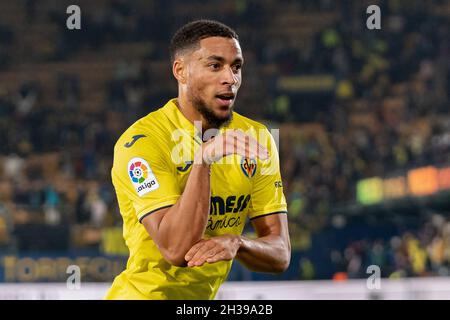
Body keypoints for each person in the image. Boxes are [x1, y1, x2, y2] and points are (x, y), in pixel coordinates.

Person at [105, 19, 290, 300]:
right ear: (181, 71)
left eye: (236, 66)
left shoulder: (256, 136)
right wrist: (203, 160)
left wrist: (237, 243)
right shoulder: (143, 143)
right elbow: (176, 249)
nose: (230, 78)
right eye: (215, 66)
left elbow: (280, 253)